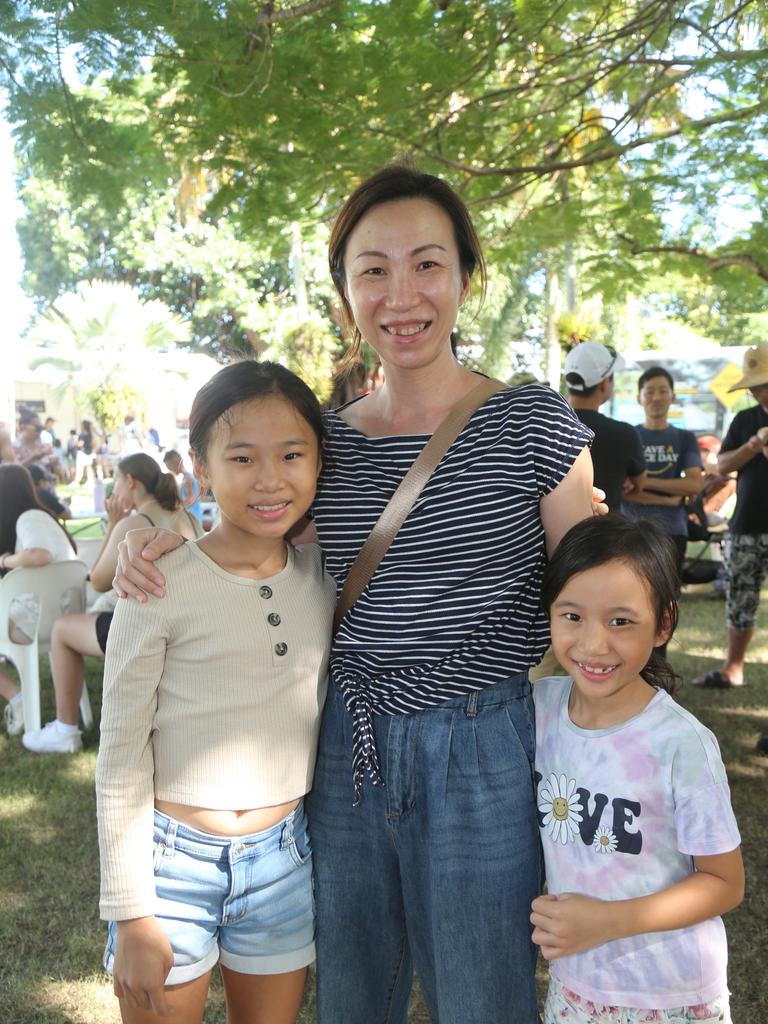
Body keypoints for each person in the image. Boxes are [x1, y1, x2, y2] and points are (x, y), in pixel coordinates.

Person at [114, 162, 597, 1024]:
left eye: (426, 264)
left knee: (481, 997)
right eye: (372, 268)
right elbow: (249, 545)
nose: (400, 294)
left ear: (463, 277)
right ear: (345, 291)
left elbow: (593, 589)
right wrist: (145, 536)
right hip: (344, 745)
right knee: (350, 997)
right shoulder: (323, 444)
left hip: (482, 748)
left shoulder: (536, 424)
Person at [97, 361, 335, 1023]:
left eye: (293, 454)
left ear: (318, 463)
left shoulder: (325, 575)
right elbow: (120, 753)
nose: (270, 479)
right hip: (170, 866)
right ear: (202, 468)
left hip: (283, 860)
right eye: (241, 457)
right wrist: (131, 910)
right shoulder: (159, 580)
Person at [532, 514, 744, 1023]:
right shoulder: (538, 706)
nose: (593, 645)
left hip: (667, 993)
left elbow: (724, 882)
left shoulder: (682, 744)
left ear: (664, 623)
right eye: (572, 616)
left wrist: (609, 921)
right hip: (577, 981)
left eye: (621, 620)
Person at [22, 453, 202, 755]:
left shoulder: (134, 523)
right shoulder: (188, 517)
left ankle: (65, 729)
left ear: (130, 481)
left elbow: (97, 580)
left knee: (62, 628)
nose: (113, 490)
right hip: (186, 626)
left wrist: (114, 525)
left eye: (115, 480)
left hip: (142, 630)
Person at [693, 343, 768, 689]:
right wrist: (752, 446)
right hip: (747, 525)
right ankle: (733, 668)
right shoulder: (745, 420)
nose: (758, 391)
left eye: (763, 383)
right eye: (754, 385)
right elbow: (721, 466)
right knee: (740, 597)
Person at [0, 464, 78, 736]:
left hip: (40, 622)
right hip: (62, 617)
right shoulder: (42, 517)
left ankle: (17, 697)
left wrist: (6, 560)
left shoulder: (29, 518)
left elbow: (39, 555)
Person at [622, 366, 704, 580]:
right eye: (649, 392)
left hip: (673, 529)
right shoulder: (628, 435)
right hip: (629, 528)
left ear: (673, 397)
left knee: (668, 599)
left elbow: (694, 484)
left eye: (662, 391)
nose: (656, 397)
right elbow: (623, 491)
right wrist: (671, 496)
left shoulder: (685, 438)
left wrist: (644, 481)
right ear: (639, 398)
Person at [564, 341, 646, 511]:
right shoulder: (625, 434)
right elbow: (639, 484)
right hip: (606, 532)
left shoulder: (547, 427)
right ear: (604, 383)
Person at [163, 449, 203, 526]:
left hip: (192, 520)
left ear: (177, 462)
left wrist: (172, 506)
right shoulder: (188, 477)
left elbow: (190, 500)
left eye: (169, 466)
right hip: (194, 520)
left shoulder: (187, 479)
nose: (170, 470)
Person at [12, 409, 59, 476]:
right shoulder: (14, 447)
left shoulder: (45, 447)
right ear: (22, 427)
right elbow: (11, 472)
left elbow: (58, 475)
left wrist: (55, 464)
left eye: (41, 428)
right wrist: (32, 459)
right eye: (37, 428)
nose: (40, 431)